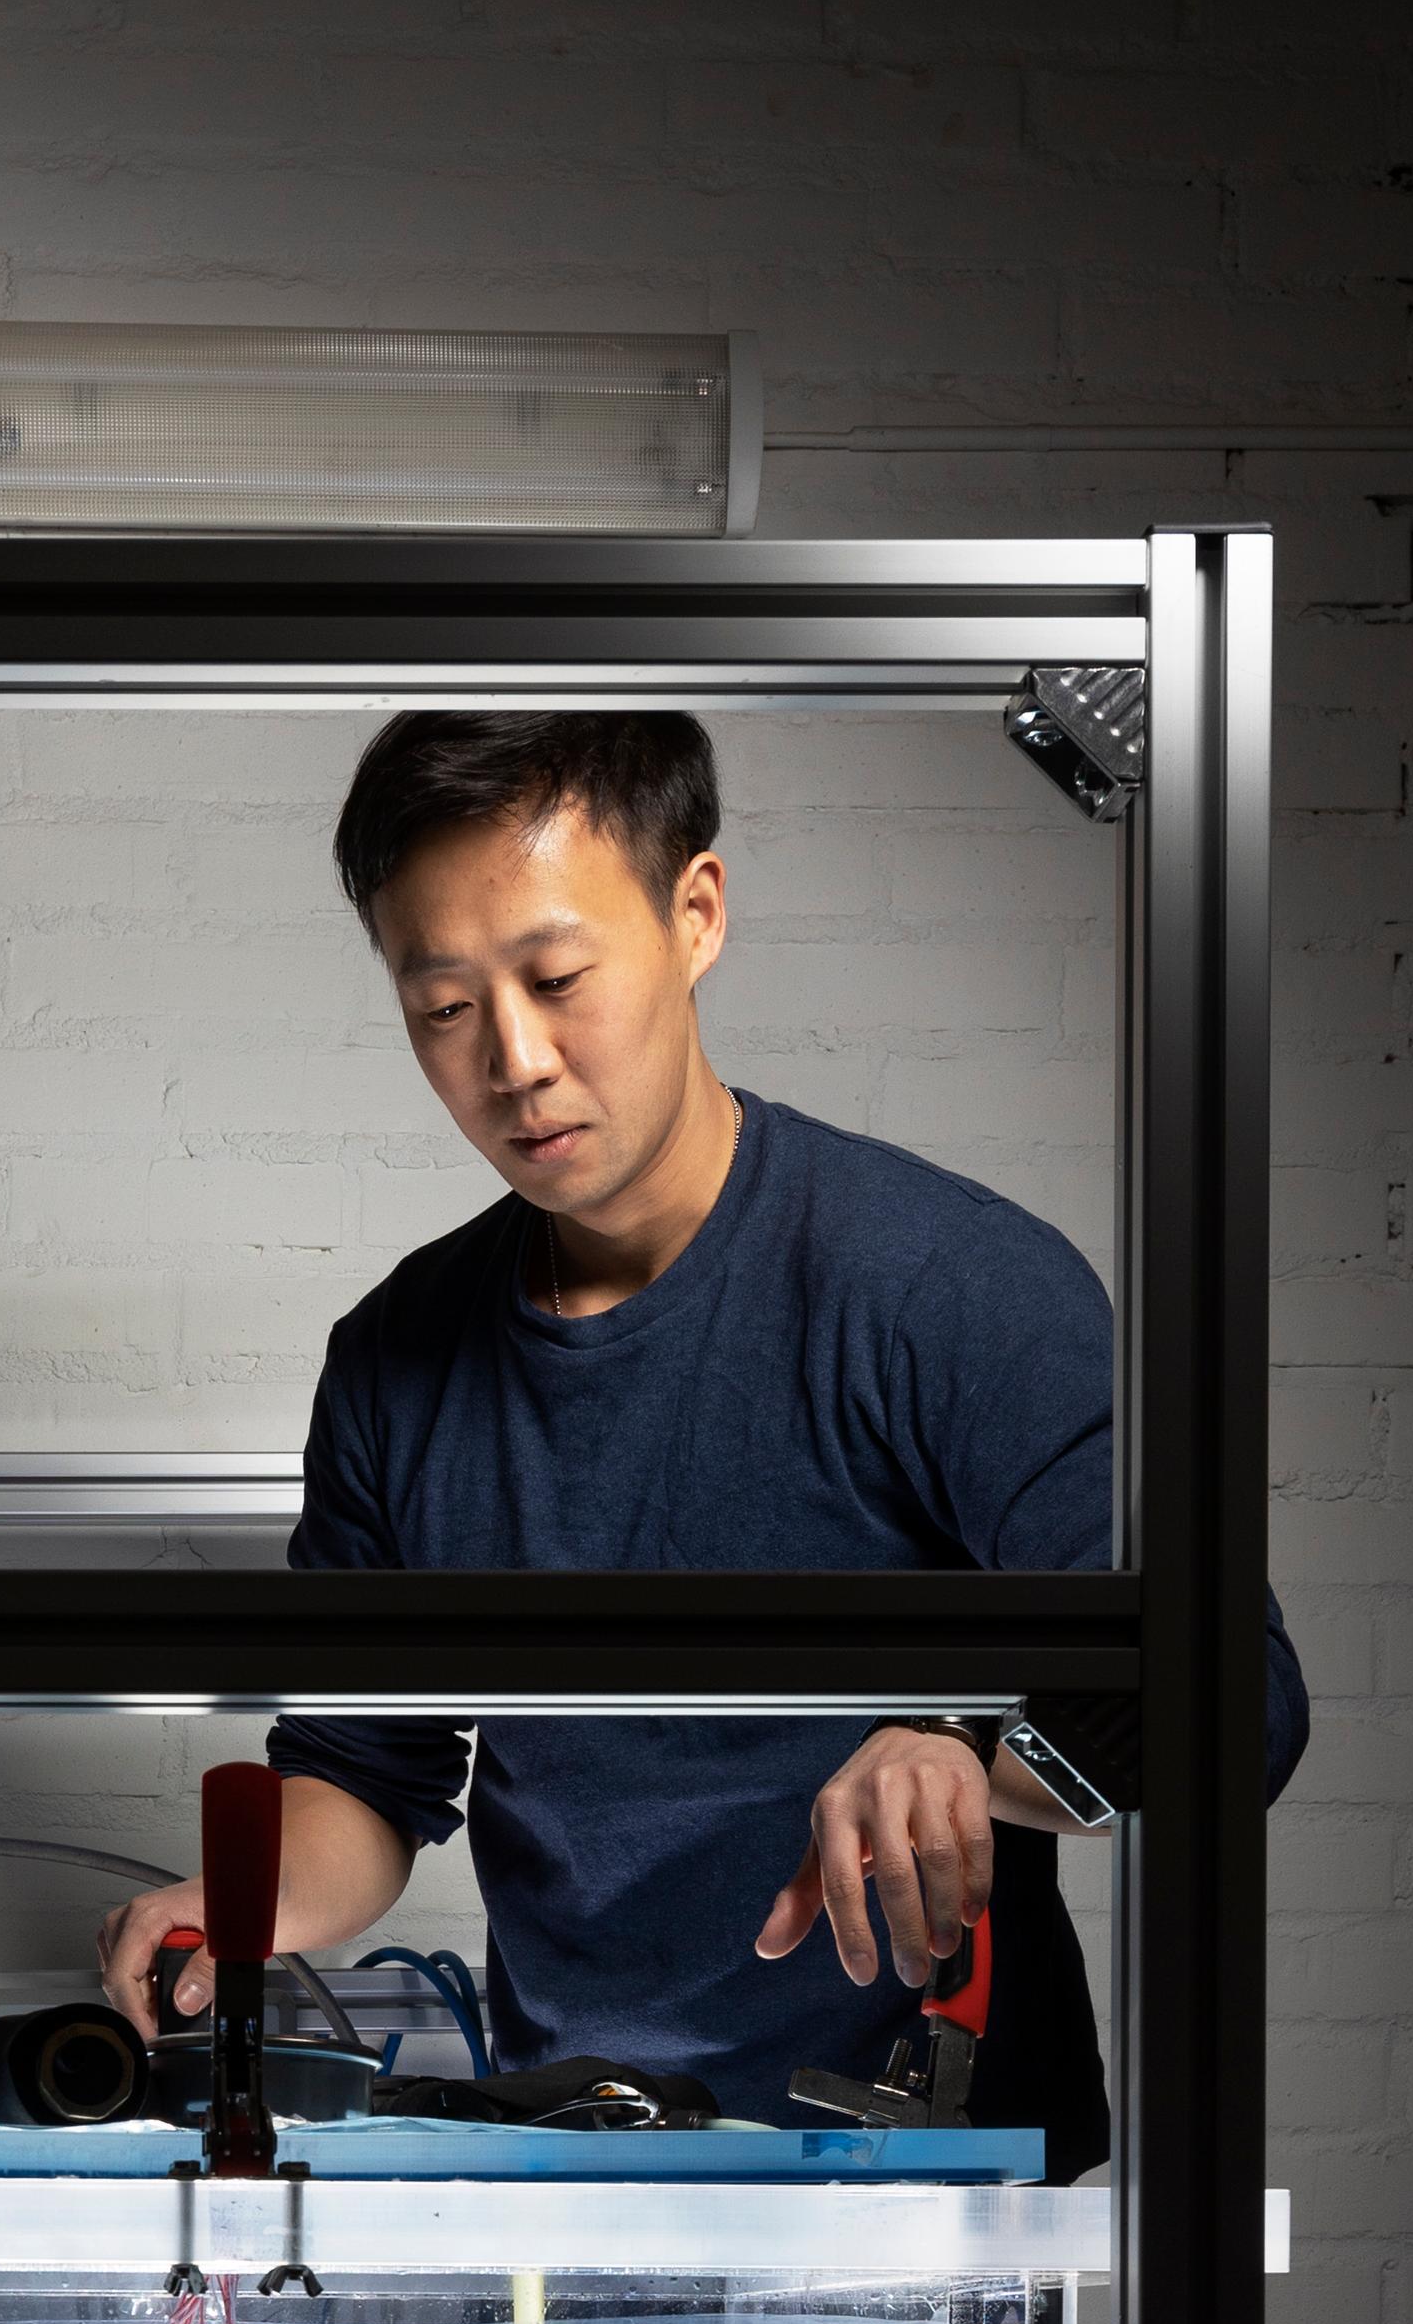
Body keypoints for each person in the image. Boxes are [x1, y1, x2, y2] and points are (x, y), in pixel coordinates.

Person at [96, 710, 1308, 2167]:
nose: (515, 1061)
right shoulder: (396, 1361)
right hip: (564, 2152)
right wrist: (242, 1907)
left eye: (556, 978)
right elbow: (370, 1773)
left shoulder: (946, 1288)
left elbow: (1243, 1696)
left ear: (695, 915)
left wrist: (967, 1747)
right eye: (443, 1009)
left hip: (917, 2191)